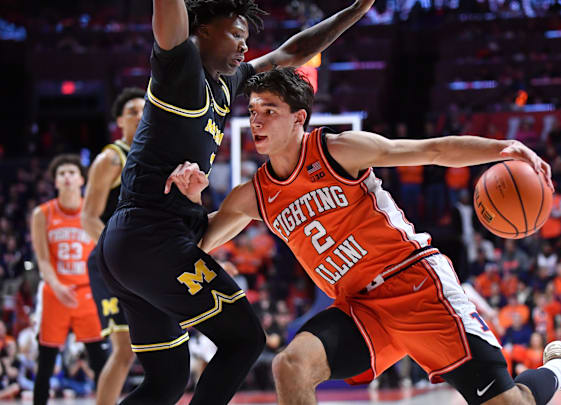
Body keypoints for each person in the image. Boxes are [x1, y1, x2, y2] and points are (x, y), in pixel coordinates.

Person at [167, 68, 561, 405]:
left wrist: (503, 149)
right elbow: (199, 245)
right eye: (254, 112)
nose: (259, 121)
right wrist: (191, 200)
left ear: (299, 119)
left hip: (415, 285)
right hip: (360, 308)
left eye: (271, 110)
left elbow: (430, 151)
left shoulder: (338, 150)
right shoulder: (254, 196)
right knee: (291, 366)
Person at [95, 1, 376, 404]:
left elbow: (292, 53)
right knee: (244, 340)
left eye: (247, 38)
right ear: (203, 31)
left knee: (167, 382)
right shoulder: (181, 67)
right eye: (236, 35)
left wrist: (355, 9)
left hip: (133, 247)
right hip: (151, 238)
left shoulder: (229, 82)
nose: (245, 47)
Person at [80, 88, 145, 405]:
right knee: (123, 351)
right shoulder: (111, 158)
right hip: (112, 262)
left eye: (144, 109)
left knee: (160, 347)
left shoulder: (154, 154)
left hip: (144, 263)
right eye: (132, 111)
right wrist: (118, 253)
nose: (140, 115)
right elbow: (88, 217)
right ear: (119, 120)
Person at [30, 155, 107, 405]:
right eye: (61, 173)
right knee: (46, 361)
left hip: (87, 293)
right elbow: (42, 259)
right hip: (55, 291)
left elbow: (104, 253)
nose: (66, 177)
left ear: (82, 179)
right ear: (55, 182)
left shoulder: (92, 213)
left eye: (71, 172)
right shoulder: (42, 214)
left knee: (99, 360)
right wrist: (56, 285)